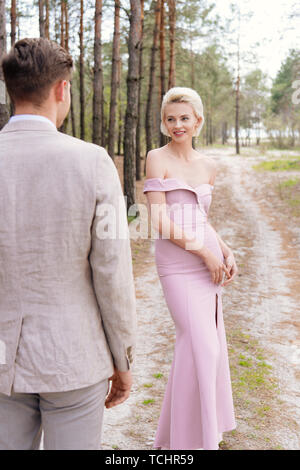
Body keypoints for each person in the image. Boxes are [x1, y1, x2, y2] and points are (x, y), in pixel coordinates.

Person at [0, 38, 136, 450]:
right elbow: (112, 271)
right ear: (62, 89)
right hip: (73, 357)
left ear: (11, 90)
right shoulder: (94, 162)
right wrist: (122, 357)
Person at [143, 87, 237, 450]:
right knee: (202, 347)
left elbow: (201, 218)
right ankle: (190, 441)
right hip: (179, 263)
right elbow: (160, 221)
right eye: (170, 119)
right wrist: (205, 254)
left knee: (200, 348)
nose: (177, 124)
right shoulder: (157, 157)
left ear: (198, 121)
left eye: (184, 118)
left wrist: (225, 250)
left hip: (207, 260)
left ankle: (176, 440)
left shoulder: (209, 166)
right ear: (164, 124)